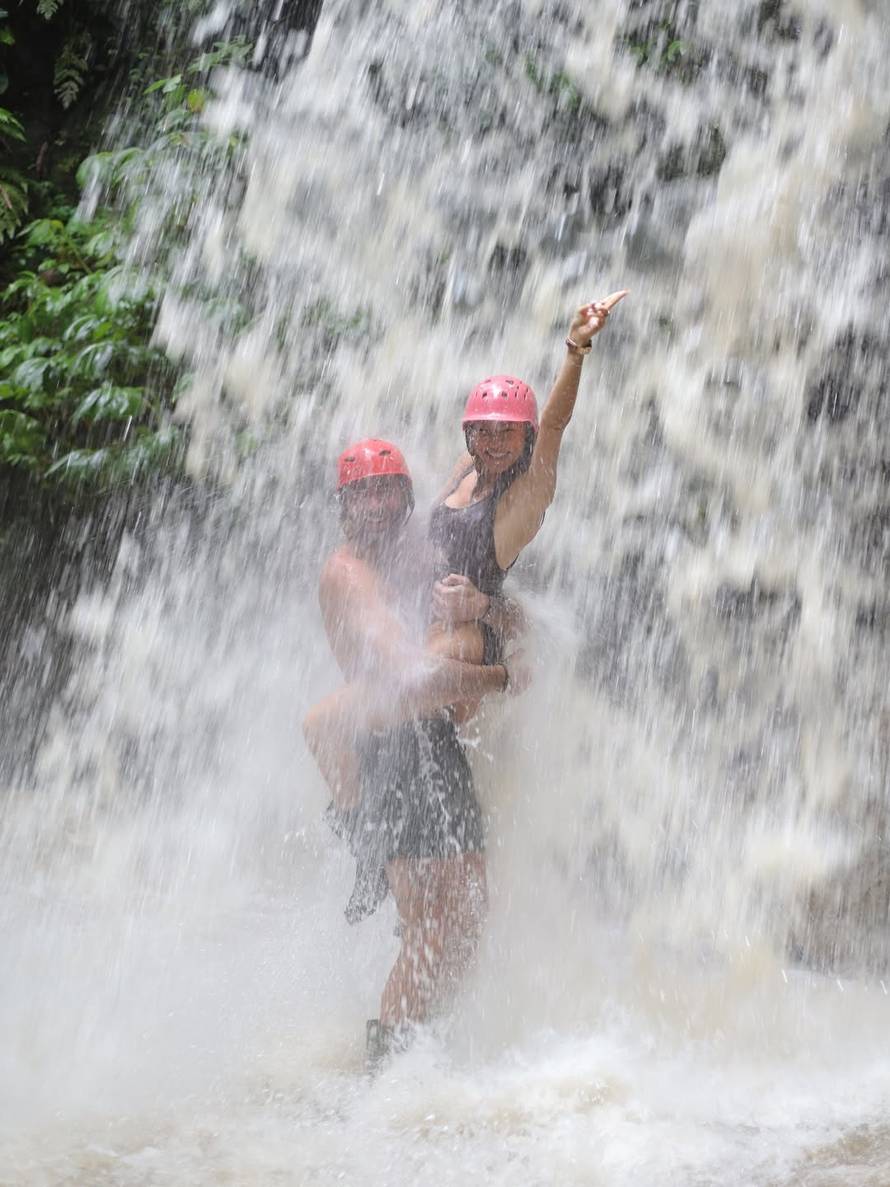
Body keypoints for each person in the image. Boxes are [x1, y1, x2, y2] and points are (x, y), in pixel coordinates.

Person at [306, 438, 521, 1062]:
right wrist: (499, 679)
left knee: (467, 915)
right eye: (362, 493)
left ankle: (418, 1044)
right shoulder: (349, 575)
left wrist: (486, 609)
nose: (376, 504)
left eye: (387, 490)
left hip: (430, 742)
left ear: (405, 498)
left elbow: (470, 483)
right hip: (391, 749)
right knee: (431, 921)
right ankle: (390, 1062)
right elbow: (411, 680)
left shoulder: (415, 545)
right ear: (344, 506)